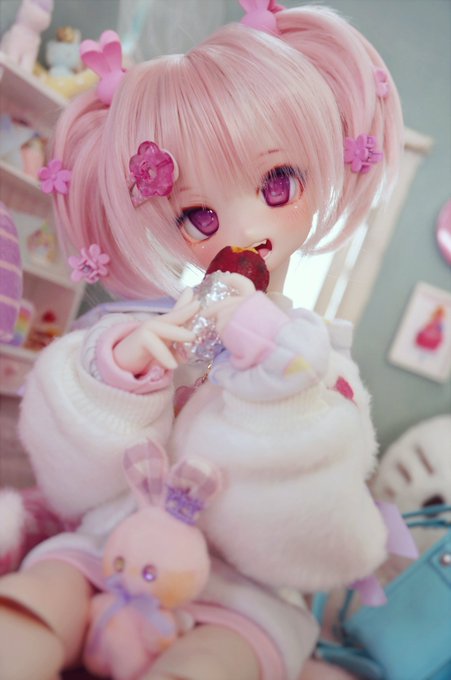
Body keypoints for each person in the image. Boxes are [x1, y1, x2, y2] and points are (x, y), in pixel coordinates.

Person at [0, 2, 403, 679]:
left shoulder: (320, 365)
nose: (242, 229)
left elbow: (315, 532)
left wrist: (276, 385)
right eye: (198, 215)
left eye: (278, 182)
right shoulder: (156, 325)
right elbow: (75, 486)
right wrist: (116, 375)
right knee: (40, 595)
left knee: (218, 659)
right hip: (113, 546)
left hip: (238, 590)